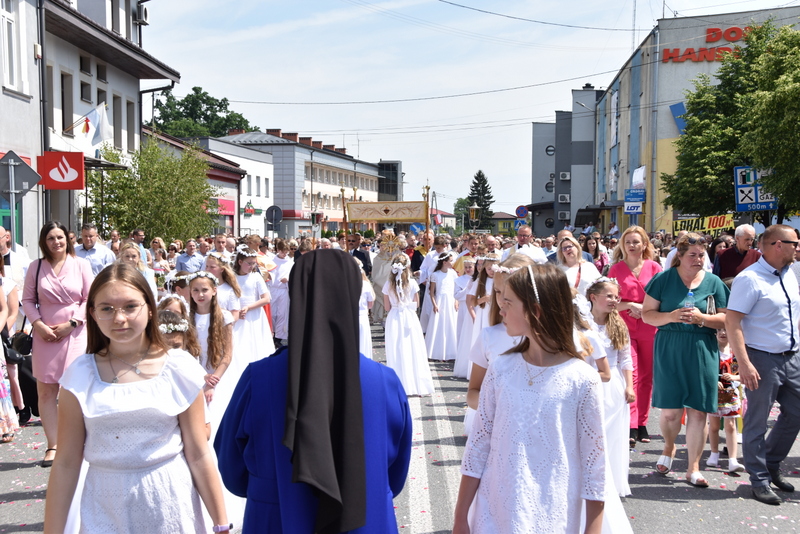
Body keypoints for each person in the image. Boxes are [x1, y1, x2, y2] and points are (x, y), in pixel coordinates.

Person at [214, 249, 412, 533]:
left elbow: (231, 463)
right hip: (365, 515)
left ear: (296, 295)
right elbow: (396, 469)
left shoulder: (259, 377)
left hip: (277, 514)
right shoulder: (384, 381)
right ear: (352, 294)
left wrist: (270, 486)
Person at [42, 263, 229, 532]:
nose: (119, 318)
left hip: (170, 503)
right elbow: (66, 464)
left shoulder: (179, 368)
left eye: (130, 306)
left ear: (150, 308)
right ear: (93, 313)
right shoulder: (80, 375)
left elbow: (199, 454)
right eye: (107, 308)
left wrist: (221, 525)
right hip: (104, 506)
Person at [453, 263, 607, 533]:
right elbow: (478, 446)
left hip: (552, 513)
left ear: (535, 311)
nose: (500, 309)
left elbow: (594, 466)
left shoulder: (582, 379)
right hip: (494, 511)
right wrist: (460, 516)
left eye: (508, 303)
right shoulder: (501, 369)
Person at [642, 232, 729, 487]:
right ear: (679, 256)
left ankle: (693, 468)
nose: (698, 259)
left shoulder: (713, 282)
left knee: (698, 411)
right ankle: (669, 446)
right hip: (670, 345)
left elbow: (726, 318)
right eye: (693, 255)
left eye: (702, 255)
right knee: (671, 412)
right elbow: (647, 314)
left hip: (702, 347)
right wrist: (671, 316)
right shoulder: (663, 279)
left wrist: (703, 319)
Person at [725, 224, 800, 505]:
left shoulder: (790, 273)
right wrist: (744, 363)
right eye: (794, 243)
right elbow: (733, 322)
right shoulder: (750, 279)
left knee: (796, 413)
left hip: (792, 357)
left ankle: (770, 464)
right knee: (757, 421)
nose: (798, 248)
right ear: (777, 245)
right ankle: (759, 480)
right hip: (762, 359)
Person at [22, 221, 93, 468]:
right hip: (45, 334)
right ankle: (53, 444)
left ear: (68, 239)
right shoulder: (36, 266)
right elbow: (27, 300)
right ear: (44, 241)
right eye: (51, 238)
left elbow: (90, 298)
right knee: (46, 391)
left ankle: (78, 442)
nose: (56, 242)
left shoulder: (81, 265)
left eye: (60, 237)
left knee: (73, 389)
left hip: (75, 332)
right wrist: (39, 325)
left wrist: (73, 323)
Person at [463, 254, 531, 435]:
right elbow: (473, 393)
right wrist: (498, 406)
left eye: (508, 291)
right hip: (498, 428)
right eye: (498, 292)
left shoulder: (548, 337)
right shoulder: (489, 336)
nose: (501, 299)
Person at [608, 225, 662, 445]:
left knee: (647, 377)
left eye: (636, 242)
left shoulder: (655, 267)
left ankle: (642, 422)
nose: (632, 245)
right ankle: (630, 424)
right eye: (628, 242)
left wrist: (645, 308)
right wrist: (630, 305)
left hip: (650, 326)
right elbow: (609, 301)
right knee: (632, 374)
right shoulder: (615, 269)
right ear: (623, 245)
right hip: (625, 328)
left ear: (644, 244)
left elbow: (663, 297)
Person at [586, 277, 635, 496]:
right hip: (588, 378)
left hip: (612, 382)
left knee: (611, 434)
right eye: (609, 296)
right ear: (593, 297)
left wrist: (629, 386)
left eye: (617, 296)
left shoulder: (618, 325)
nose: (615, 300)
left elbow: (625, 358)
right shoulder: (581, 324)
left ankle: (610, 482)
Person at [383, 253, 435, 396]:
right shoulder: (412, 283)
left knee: (396, 349)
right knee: (413, 348)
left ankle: (399, 384)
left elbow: (387, 307)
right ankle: (416, 384)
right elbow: (416, 304)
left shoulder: (388, 284)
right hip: (409, 316)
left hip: (394, 318)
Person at [706, 326, 744, 473]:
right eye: (719, 329)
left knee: (731, 426)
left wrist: (734, 377)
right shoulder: (711, 351)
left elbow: (744, 373)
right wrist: (714, 380)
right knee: (714, 426)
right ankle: (714, 453)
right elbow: (705, 370)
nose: (722, 333)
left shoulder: (737, 352)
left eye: (726, 329)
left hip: (731, 394)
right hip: (714, 394)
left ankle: (732, 459)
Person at [232, 247, 275, 362]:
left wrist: (248, 307)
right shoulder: (233, 278)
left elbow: (266, 299)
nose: (252, 266)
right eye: (249, 263)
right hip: (238, 314)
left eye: (254, 263)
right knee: (239, 343)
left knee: (255, 342)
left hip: (254, 314)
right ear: (240, 262)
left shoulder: (256, 277)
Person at [425, 251, 459, 362]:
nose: (452, 263)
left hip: (451, 301)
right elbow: (432, 292)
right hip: (440, 301)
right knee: (439, 325)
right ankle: (436, 352)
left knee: (451, 325)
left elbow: (456, 289)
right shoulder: (435, 275)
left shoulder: (453, 274)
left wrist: (456, 301)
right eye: (450, 261)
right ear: (444, 262)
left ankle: (452, 352)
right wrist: (435, 305)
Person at [269, 239, 293, 345]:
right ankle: (272, 332)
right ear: (278, 250)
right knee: (272, 313)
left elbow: (292, 274)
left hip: (284, 290)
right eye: (282, 252)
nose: (284, 254)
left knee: (282, 314)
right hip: (273, 290)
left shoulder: (290, 262)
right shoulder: (272, 261)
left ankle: (278, 337)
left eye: (286, 252)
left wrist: (288, 279)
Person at [356, 258, 375, 358]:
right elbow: (370, 304)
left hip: (348, 318)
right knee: (363, 343)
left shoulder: (343, 284)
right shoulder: (366, 284)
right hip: (362, 316)